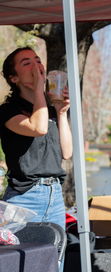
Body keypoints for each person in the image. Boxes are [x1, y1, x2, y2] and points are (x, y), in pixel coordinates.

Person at [0, 47, 72, 231]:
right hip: (25, 198)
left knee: (55, 258)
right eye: (27, 63)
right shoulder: (8, 110)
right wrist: (40, 89)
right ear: (13, 78)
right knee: (22, 259)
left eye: (38, 60)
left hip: (54, 195)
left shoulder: (48, 111)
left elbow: (67, 152)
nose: (36, 65)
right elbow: (38, 128)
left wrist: (61, 113)